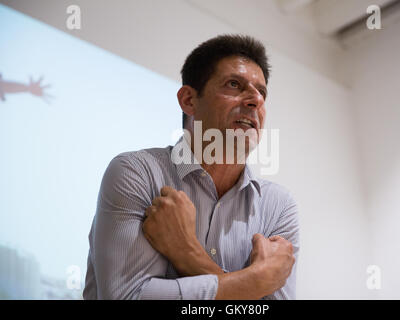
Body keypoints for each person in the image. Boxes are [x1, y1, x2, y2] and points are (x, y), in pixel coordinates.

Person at [83, 34, 300, 300]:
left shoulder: (279, 205)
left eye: (261, 92)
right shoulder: (135, 172)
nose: (256, 100)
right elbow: (126, 297)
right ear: (189, 100)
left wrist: (189, 254)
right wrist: (256, 284)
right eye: (234, 84)